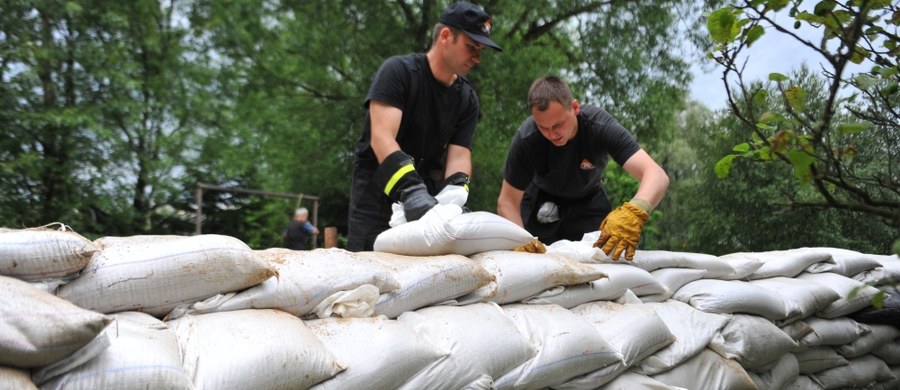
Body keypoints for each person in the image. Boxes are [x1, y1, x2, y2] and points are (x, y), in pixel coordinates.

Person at [347, 1, 502, 252]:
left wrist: (453, 195)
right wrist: (409, 190)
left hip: (428, 202)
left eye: (481, 51)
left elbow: (460, 155)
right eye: (471, 47)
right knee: (369, 276)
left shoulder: (467, 99)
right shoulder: (399, 72)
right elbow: (382, 138)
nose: (477, 58)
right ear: (445, 36)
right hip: (376, 201)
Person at [497, 76, 669, 260]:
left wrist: (635, 209)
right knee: (535, 262)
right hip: (541, 200)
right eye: (543, 127)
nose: (551, 134)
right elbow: (507, 202)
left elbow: (656, 174)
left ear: (575, 108)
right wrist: (521, 241)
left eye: (558, 124)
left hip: (589, 200)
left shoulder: (598, 125)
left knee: (606, 258)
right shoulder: (527, 138)